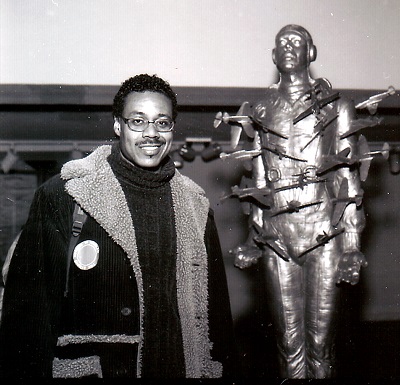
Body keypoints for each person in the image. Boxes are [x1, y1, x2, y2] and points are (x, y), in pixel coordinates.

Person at [0, 74, 238, 379]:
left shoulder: (195, 206)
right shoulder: (65, 194)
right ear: (118, 125)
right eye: (137, 121)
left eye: (162, 122)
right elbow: (27, 320)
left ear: (172, 129)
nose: (150, 133)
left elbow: (217, 318)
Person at [227, 25, 367, 378]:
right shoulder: (260, 110)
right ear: (274, 57)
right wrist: (252, 240)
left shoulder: (338, 106)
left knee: (320, 348)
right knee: (289, 347)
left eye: (297, 42)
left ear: (311, 53)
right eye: (282, 44)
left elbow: (347, 177)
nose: (288, 48)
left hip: (325, 236)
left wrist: (351, 246)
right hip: (278, 240)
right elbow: (258, 183)